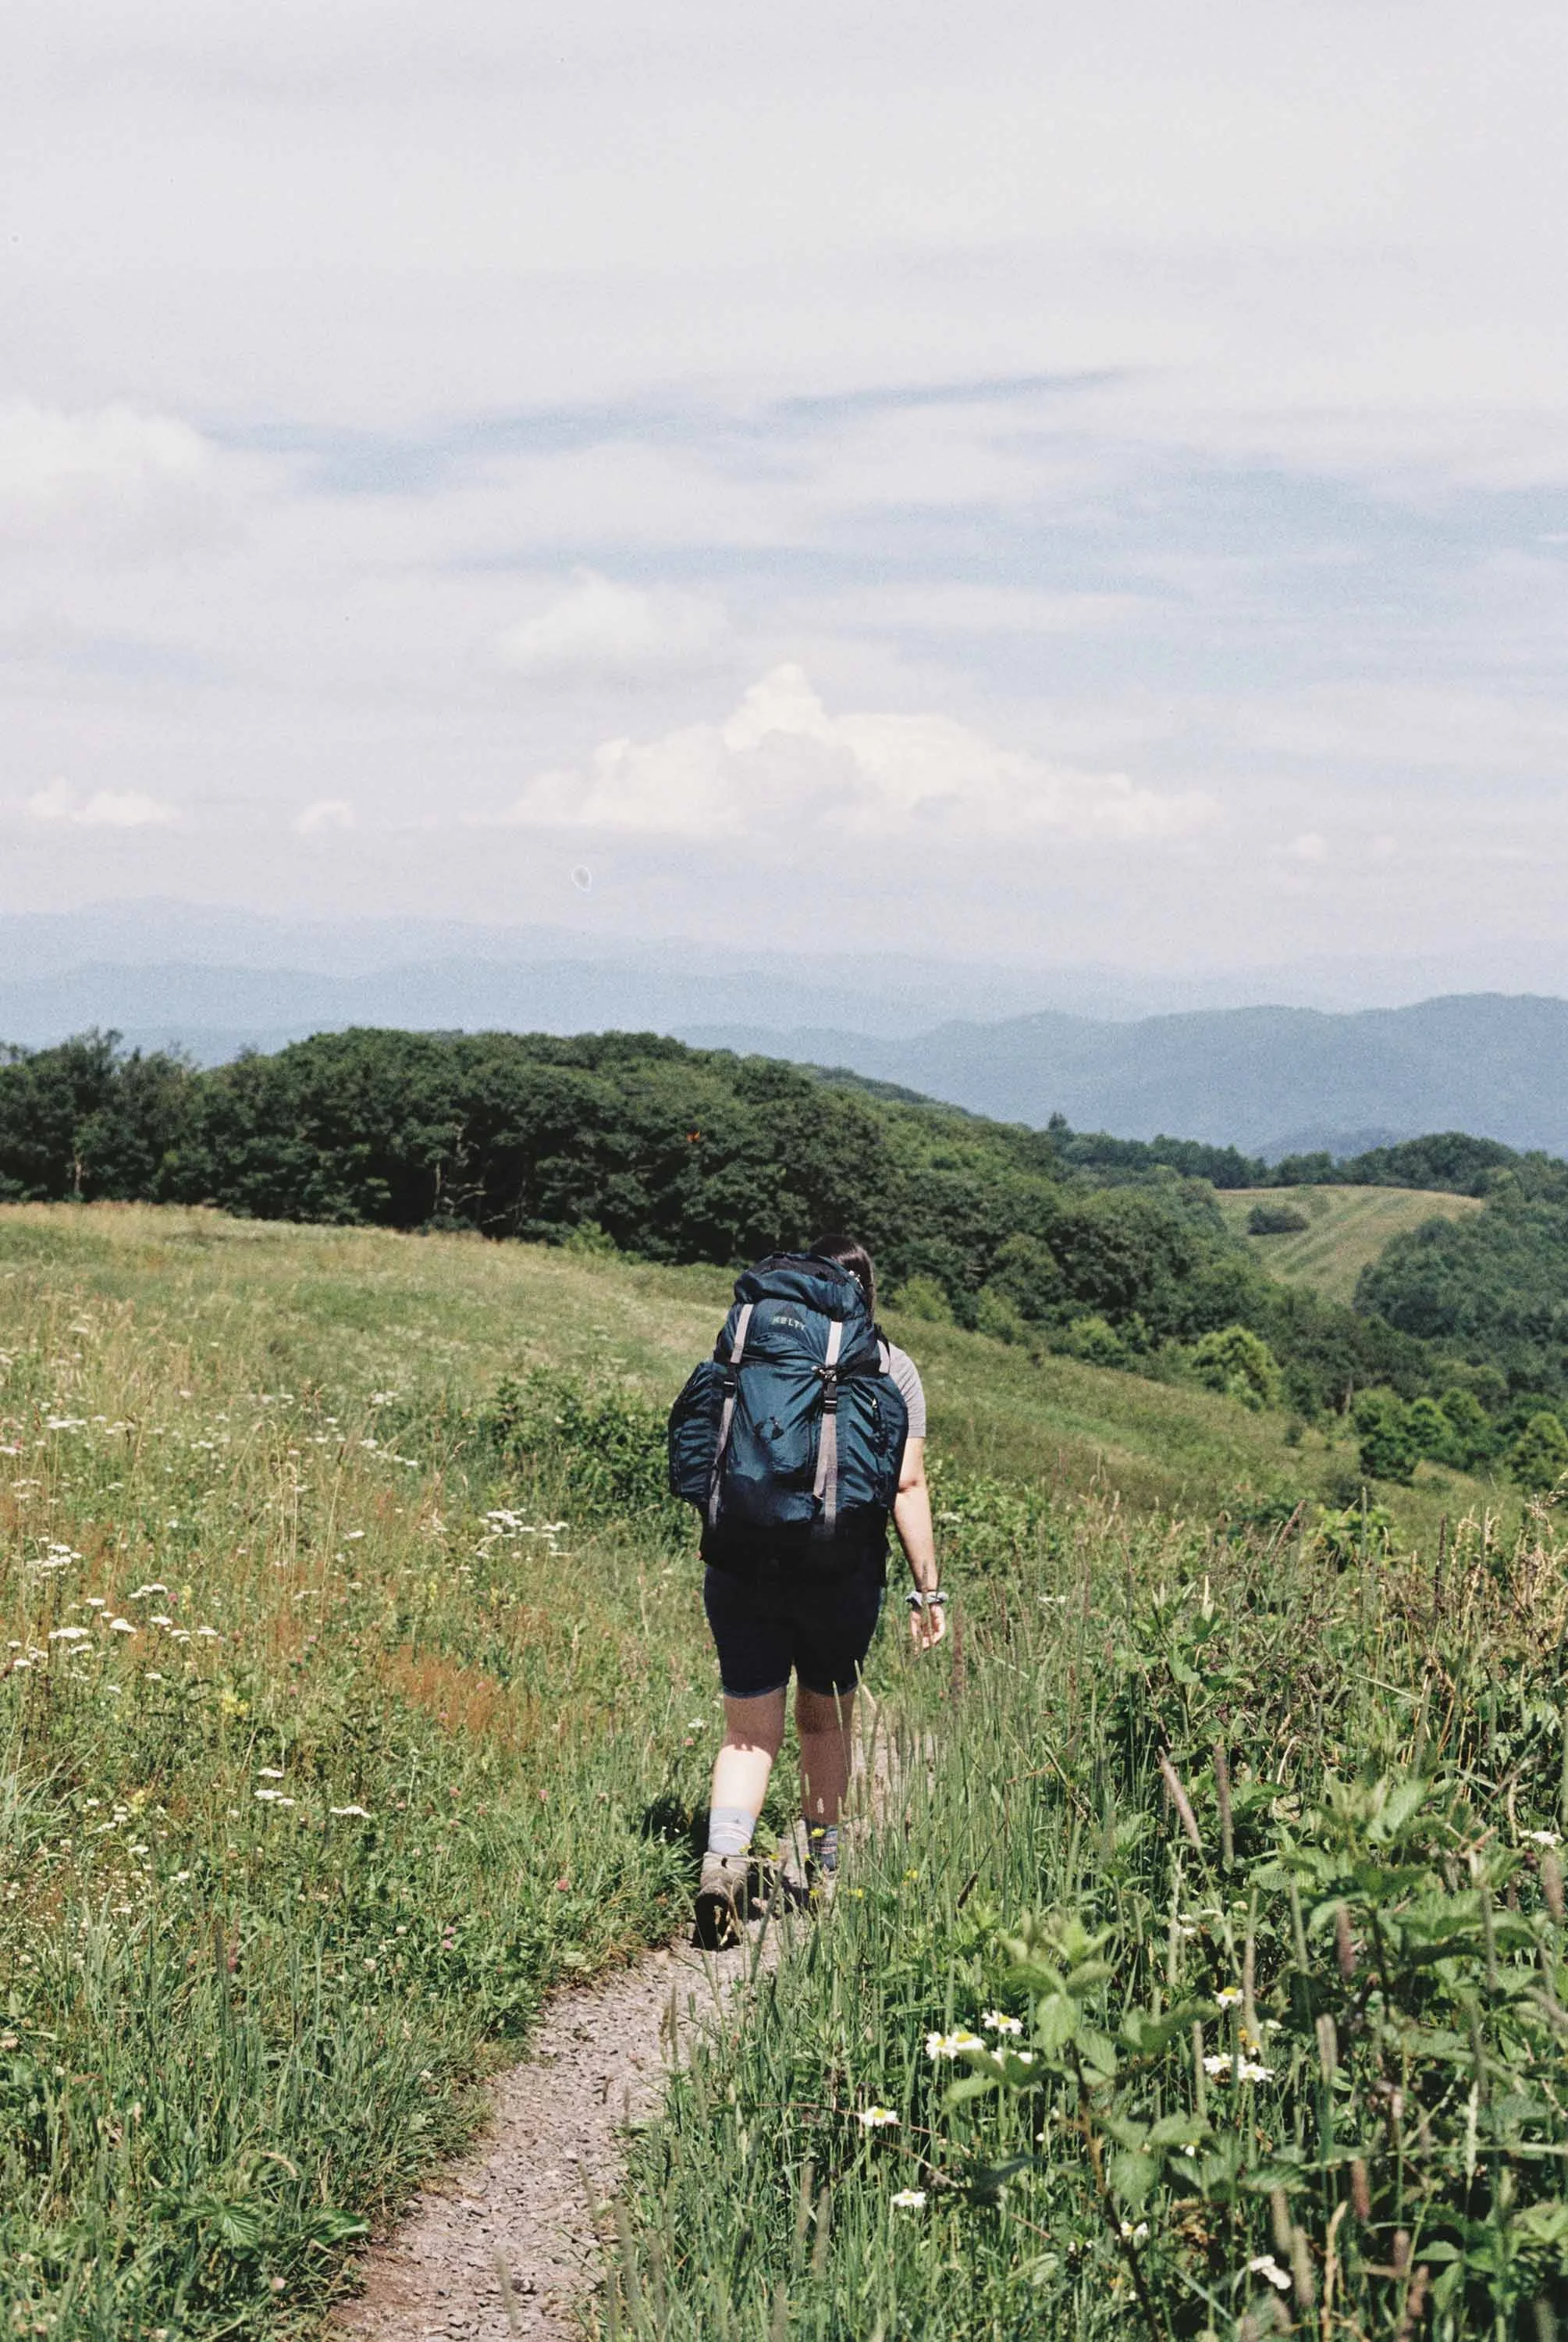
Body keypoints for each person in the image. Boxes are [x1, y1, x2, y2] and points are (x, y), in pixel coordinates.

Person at [692, 1233, 946, 1948]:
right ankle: (824, 1866)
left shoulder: (750, 1344)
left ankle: (724, 1860)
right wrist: (929, 1590)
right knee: (824, 1721)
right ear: (864, 1292)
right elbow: (907, 1484)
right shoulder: (888, 1364)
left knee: (747, 1735)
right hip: (840, 1573)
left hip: (740, 1562)